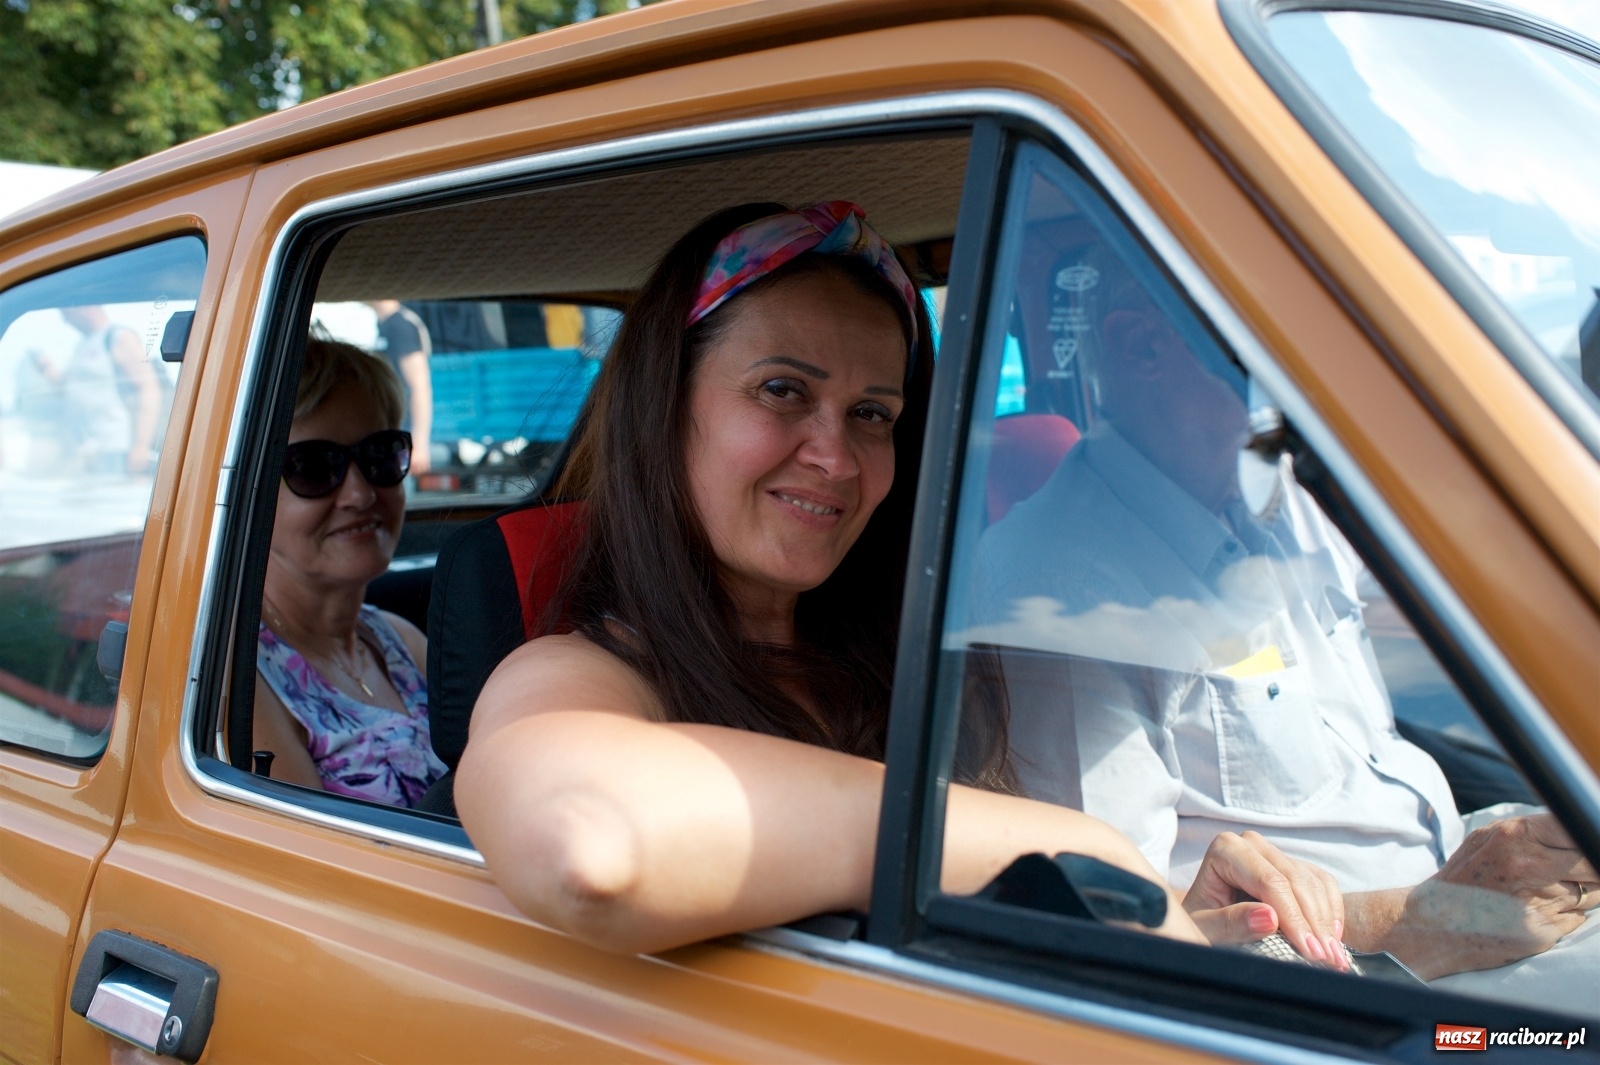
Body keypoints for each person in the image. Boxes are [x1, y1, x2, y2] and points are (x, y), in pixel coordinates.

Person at [456, 201, 1352, 959]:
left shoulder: (904, 665)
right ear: (664, 409)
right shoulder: (579, 678)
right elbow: (590, 841)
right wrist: (1076, 851)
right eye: (781, 390)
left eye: (873, 413)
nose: (836, 456)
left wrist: (1169, 927)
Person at [970, 248, 1598, 1012]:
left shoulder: (1283, 500)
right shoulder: (1058, 587)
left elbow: (1462, 599)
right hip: (1363, 976)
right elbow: (1120, 929)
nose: (1326, 381)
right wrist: (1417, 919)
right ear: (1139, 346)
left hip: (1455, 884)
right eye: (1289, 342)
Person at [253, 337, 446, 808]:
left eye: (380, 454)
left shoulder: (400, 641)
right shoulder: (240, 679)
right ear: (249, 491)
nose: (359, 495)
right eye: (314, 467)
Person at [37, 305, 166, 475]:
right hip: (84, 453)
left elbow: (149, 389)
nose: (65, 320)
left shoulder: (118, 337)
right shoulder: (81, 345)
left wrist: (141, 446)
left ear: (84, 306)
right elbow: (71, 392)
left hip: (116, 449)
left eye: (66, 311)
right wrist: (48, 370)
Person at [370, 299, 434, 475]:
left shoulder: (401, 325)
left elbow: (420, 387)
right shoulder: (384, 323)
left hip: (403, 439)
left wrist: (419, 444)